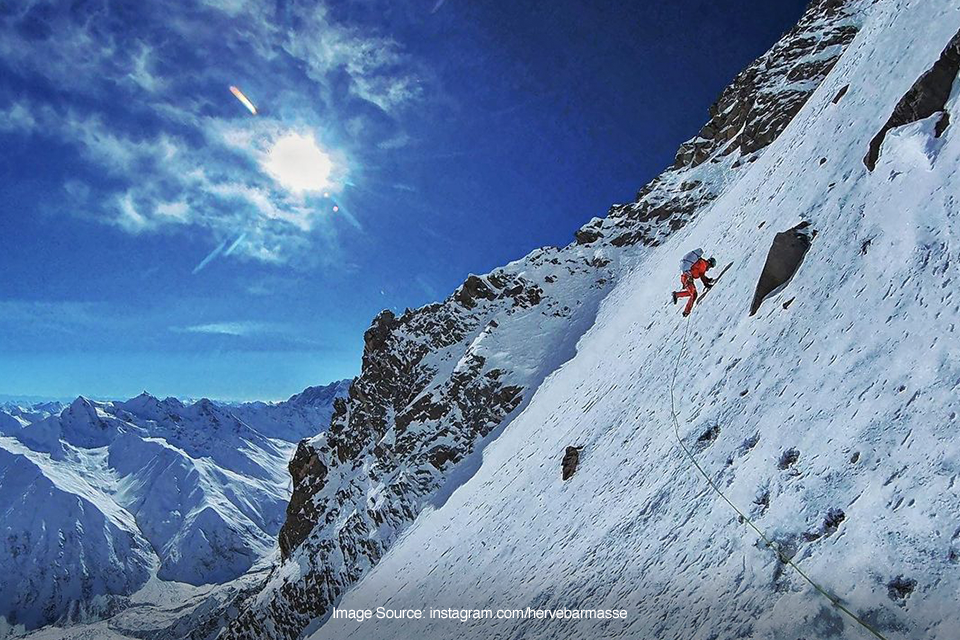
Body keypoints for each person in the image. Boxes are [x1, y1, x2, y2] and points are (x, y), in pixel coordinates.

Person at [672, 248, 716, 317]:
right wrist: (706, 284)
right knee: (694, 294)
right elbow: (702, 276)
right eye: (710, 267)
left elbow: (701, 274)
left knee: (691, 293)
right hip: (687, 278)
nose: (709, 269)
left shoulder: (702, 263)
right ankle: (686, 311)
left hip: (685, 278)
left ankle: (677, 295)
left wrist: (708, 280)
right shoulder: (703, 265)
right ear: (709, 264)